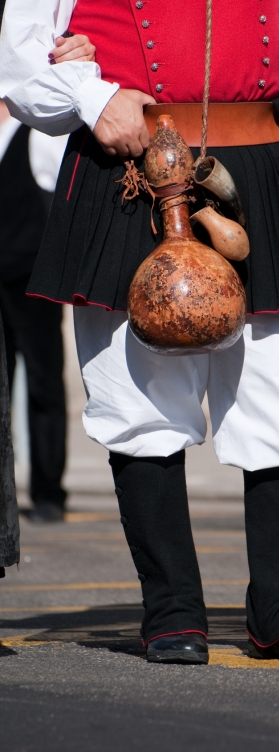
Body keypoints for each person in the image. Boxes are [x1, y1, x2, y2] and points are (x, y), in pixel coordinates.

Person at [0, 0, 279, 662]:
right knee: (138, 401)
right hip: (126, 170)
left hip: (254, 165)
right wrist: (90, 93)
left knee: (277, 392)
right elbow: (21, 57)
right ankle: (171, 606)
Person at [0, 33, 95, 522]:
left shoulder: (36, 130)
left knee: (42, 383)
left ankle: (48, 494)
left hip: (29, 276)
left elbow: (59, 200)